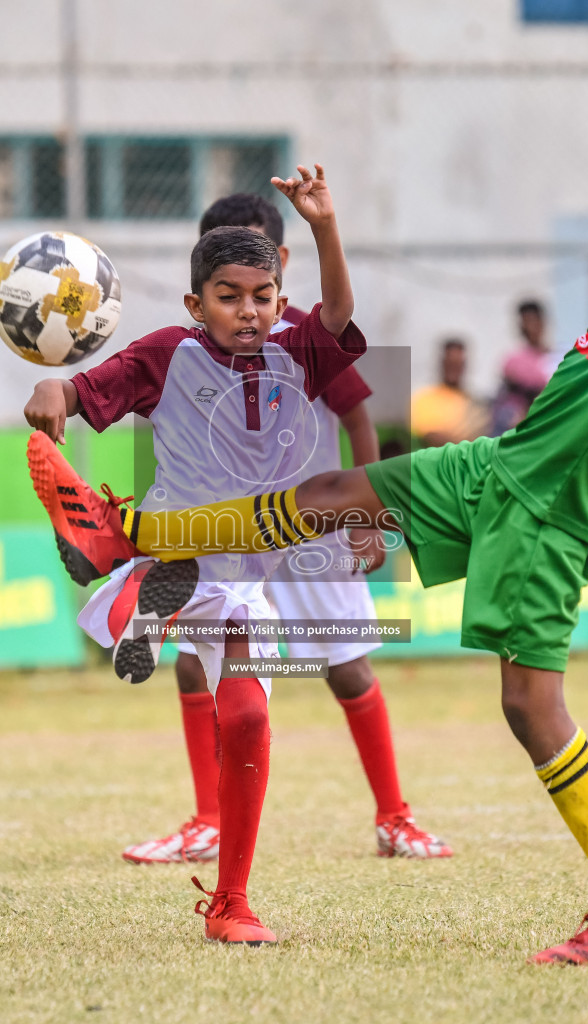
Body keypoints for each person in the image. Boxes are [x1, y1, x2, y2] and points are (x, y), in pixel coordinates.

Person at [33, 84, 588, 963]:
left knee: (530, 707)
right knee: (330, 491)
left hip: (547, 515)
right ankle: (130, 536)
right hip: (497, 464)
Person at [25, 164, 366, 946]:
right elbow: (85, 393)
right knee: (194, 601)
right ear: (194, 303)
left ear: (282, 302)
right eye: (228, 296)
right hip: (192, 543)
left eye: (263, 297)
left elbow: (341, 314)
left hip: (248, 566)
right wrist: (58, 395)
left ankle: (233, 904)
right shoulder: (165, 352)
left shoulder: (300, 349)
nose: (248, 311)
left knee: (246, 712)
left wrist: (323, 226)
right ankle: (120, 555)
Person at [120, 193, 450, 868]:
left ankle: (395, 817)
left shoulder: (302, 334)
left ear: (280, 263)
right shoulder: (191, 349)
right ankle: (208, 820)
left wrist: (367, 511)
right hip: (223, 537)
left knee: (348, 667)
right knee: (195, 661)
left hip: (306, 529)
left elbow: (359, 418)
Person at [491, 299, 554, 434]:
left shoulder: (557, 357)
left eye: (533, 321)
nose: (529, 327)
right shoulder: (513, 362)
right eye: (525, 322)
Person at [410, 338, 486, 446]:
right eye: (450, 363)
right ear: (442, 363)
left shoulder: (474, 402)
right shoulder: (424, 398)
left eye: (458, 364)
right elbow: (430, 436)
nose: (454, 369)